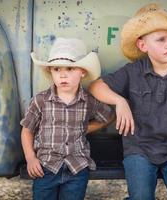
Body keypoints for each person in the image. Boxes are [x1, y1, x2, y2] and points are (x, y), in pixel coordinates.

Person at [89, 3, 167, 200]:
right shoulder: (133, 71)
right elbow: (95, 86)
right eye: (161, 39)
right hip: (140, 150)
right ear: (142, 45)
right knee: (142, 197)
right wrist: (120, 101)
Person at [20, 37, 114, 200]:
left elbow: (109, 116)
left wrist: (86, 128)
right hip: (46, 167)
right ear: (51, 71)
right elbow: (27, 130)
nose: (63, 75)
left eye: (70, 68)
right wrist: (30, 158)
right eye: (57, 69)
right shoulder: (40, 100)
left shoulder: (88, 101)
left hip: (76, 169)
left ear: (82, 71)